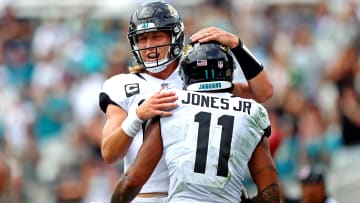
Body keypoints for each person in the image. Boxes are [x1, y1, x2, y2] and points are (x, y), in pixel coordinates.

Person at [99, 1, 273, 202]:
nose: (149, 46)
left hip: (200, 195)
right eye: (142, 39)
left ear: (175, 36)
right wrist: (137, 116)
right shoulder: (122, 85)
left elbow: (263, 92)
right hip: (145, 195)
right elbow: (109, 153)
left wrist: (237, 45)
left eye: (156, 36)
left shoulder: (196, 73)